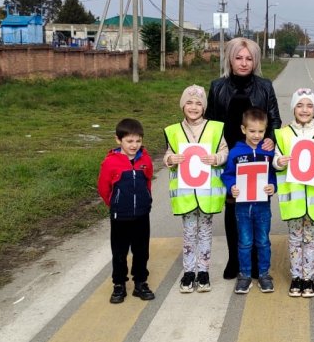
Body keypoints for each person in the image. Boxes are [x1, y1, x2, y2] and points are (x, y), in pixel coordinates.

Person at [206, 37, 281, 280]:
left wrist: (272, 138)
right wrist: (217, 151)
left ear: (256, 61)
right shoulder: (217, 86)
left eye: (249, 58)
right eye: (238, 57)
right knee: (233, 206)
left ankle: (258, 260)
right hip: (231, 154)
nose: (243, 63)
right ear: (229, 58)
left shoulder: (265, 86)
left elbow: (275, 120)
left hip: (256, 155)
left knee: (258, 206)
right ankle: (234, 259)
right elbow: (211, 123)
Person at [163, 85, 229, 293]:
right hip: (186, 194)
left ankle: (203, 272)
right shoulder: (173, 131)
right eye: (189, 103)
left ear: (204, 107)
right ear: (183, 106)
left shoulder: (215, 128)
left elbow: (224, 150)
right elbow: (168, 154)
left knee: (205, 233)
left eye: (198, 103)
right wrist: (170, 159)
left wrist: (217, 158)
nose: (193, 107)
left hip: (207, 193)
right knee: (189, 234)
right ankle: (189, 271)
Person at [273, 88, 314, 298]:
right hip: (294, 197)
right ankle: (296, 277)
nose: (305, 109)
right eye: (299, 105)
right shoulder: (283, 133)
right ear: (293, 108)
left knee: (310, 238)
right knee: (294, 238)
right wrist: (278, 162)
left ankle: (308, 278)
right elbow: (277, 158)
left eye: (309, 105)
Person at [97, 118, 155, 304]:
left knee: (141, 251)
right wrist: (115, 203)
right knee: (120, 252)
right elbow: (104, 188)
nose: (134, 145)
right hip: (120, 216)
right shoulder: (110, 162)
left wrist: (146, 201)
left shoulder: (145, 159)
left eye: (138, 141)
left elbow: (147, 182)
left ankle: (140, 282)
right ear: (118, 140)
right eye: (129, 141)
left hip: (141, 215)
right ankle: (119, 284)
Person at [220, 107, 277, 294]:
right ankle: (244, 274)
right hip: (242, 207)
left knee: (263, 241)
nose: (257, 135)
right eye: (252, 131)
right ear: (243, 129)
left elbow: (273, 175)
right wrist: (232, 187)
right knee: (244, 241)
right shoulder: (236, 152)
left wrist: (272, 186)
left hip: (262, 206)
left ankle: (263, 274)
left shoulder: (268, 152)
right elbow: (227, 175)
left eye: (261, 131)